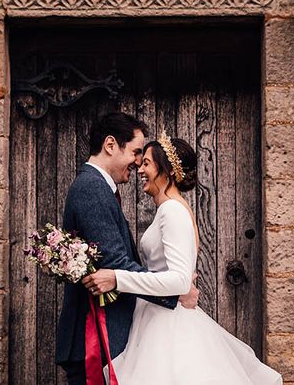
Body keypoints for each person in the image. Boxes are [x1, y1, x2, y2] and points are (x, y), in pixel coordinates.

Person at [82, 132, 284, 385]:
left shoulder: (172, 211)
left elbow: (178, 281)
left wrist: (116, 278)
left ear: (165, 170)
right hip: (154, 316)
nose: (140, 169)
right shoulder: (169, 209)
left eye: (147, 163)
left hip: (168, 324)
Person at [56, 113, 199, 384]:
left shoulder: (103, 189)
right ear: (111, 145)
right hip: (94, 336)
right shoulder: (92, 188)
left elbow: (116, 265)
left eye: (144, 159)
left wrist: (175, 287)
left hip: (113, 332)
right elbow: (116, 261)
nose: (138, 163)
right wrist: (176, 294)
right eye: (136, 153)